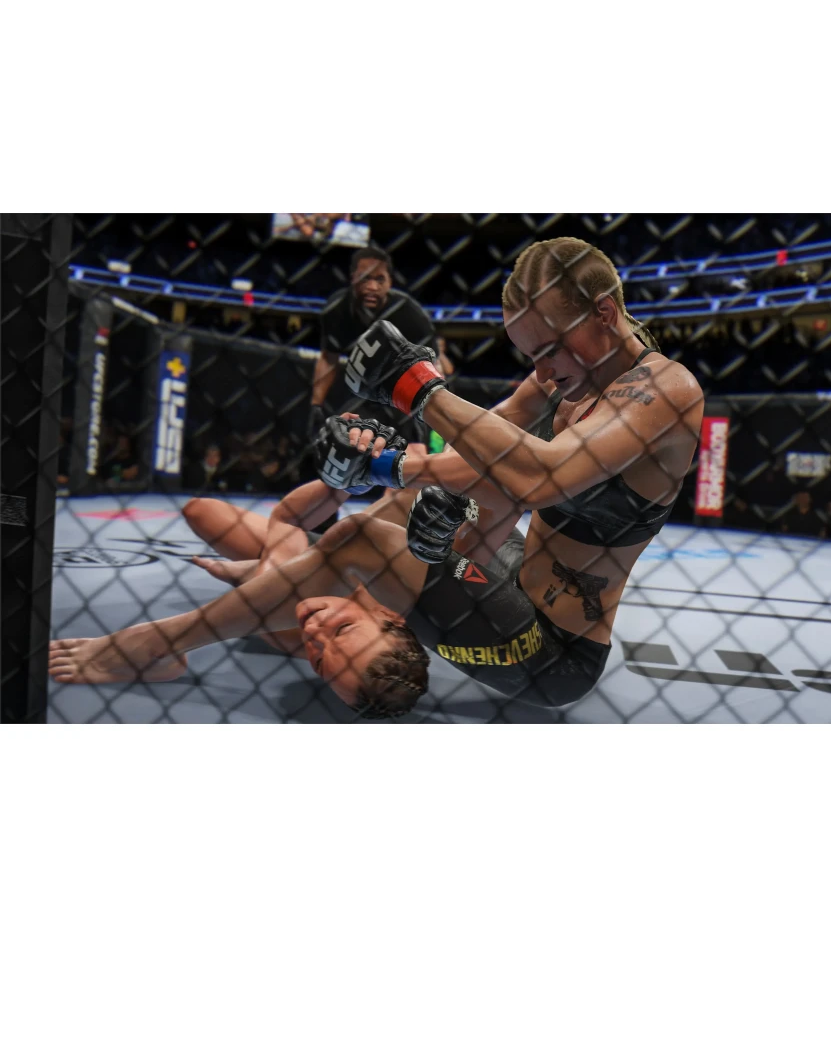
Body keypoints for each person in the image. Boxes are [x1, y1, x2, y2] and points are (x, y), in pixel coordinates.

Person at [50, 238, 703, 717]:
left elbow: (542, 477)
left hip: (551, 649)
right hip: (507, 573)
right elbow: (487, 443)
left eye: (551, 348)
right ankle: (299, 579)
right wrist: (386, 465)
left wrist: (415, 387)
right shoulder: (566, 376)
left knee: (362, 539)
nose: (544, 369)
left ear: (604, 312)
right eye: (532, 355)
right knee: (410, 505)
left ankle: (162, 641)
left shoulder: (666, 393)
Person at [308, 246, 441, 446]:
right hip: (364, 389)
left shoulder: (409, 314)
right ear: (353, 278)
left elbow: (434, 366)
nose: (372, 286)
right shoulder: (338, 308)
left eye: (380, 280)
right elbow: (329, 358)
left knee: (413, 452)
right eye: (365, 278)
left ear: (390, 282)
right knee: (347, 444)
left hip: (405, 389)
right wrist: (316, 405)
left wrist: (425, 410)